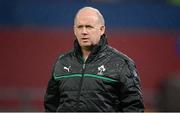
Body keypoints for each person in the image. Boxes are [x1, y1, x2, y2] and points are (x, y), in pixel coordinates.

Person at [44, 6, 144, 112]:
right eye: (80, 27)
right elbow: (51, 106)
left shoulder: (121, 63)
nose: (84, 32)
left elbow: (134, 108)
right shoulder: (61, 62)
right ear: (74, 30)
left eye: (89, 27)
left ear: (101, 30)